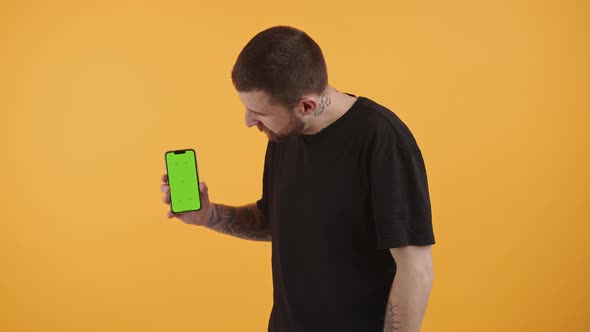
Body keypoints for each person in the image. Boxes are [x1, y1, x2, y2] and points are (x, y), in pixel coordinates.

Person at [160, 25, 435, 332]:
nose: (249, 121)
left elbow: (416, 269)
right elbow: (273, 221)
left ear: (307, 105)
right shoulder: (285, 133)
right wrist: (208, 215)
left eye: (258, 112)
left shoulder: (383, 140)